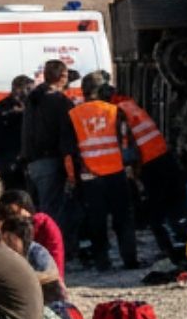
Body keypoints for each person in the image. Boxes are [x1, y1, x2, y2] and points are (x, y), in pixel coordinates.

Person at [64, 82, 139, 271]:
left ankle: (102, 262)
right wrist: (129, 167)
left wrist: (73, 177)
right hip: (115, 173)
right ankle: (129, 259)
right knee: (123, 218)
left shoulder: (74, 114)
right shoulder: (114, 111)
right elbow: (125, 143)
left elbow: (69, 150)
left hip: (90, 176)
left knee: (96, 220)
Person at [108, 85, 176, 253]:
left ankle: (168, 249)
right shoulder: (130, 104)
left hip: (149, 163)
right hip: (162, 156)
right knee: (168, 207)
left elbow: (127, 144)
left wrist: (130, 169)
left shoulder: (118, 112)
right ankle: (176, 245)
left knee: (155, 213)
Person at [19, 61, 74, 218]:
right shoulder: (60, 102)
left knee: (37, 209)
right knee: (52, 212)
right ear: (63, 76)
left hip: (32, 161)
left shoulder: (33, 98)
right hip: (51, 161)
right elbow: (67, 135)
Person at [0, 190, 63, 280]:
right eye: (8, 214)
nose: (14, 219)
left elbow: (56, 268)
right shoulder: (2, 230)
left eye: (16, 214)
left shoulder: (44, 225)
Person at [0, 215, 65, 305]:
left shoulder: (37, 253)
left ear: (23, 239)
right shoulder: (7, 254)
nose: (8, 245)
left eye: (10, 240)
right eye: (5, 240)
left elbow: (49, 277)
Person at [0, 78, 30, 195]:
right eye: (28, 89)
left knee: (12, 191)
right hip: (13, 158)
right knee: (19, 191)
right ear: (17, 89)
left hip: (5, 159)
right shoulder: (19, 110)